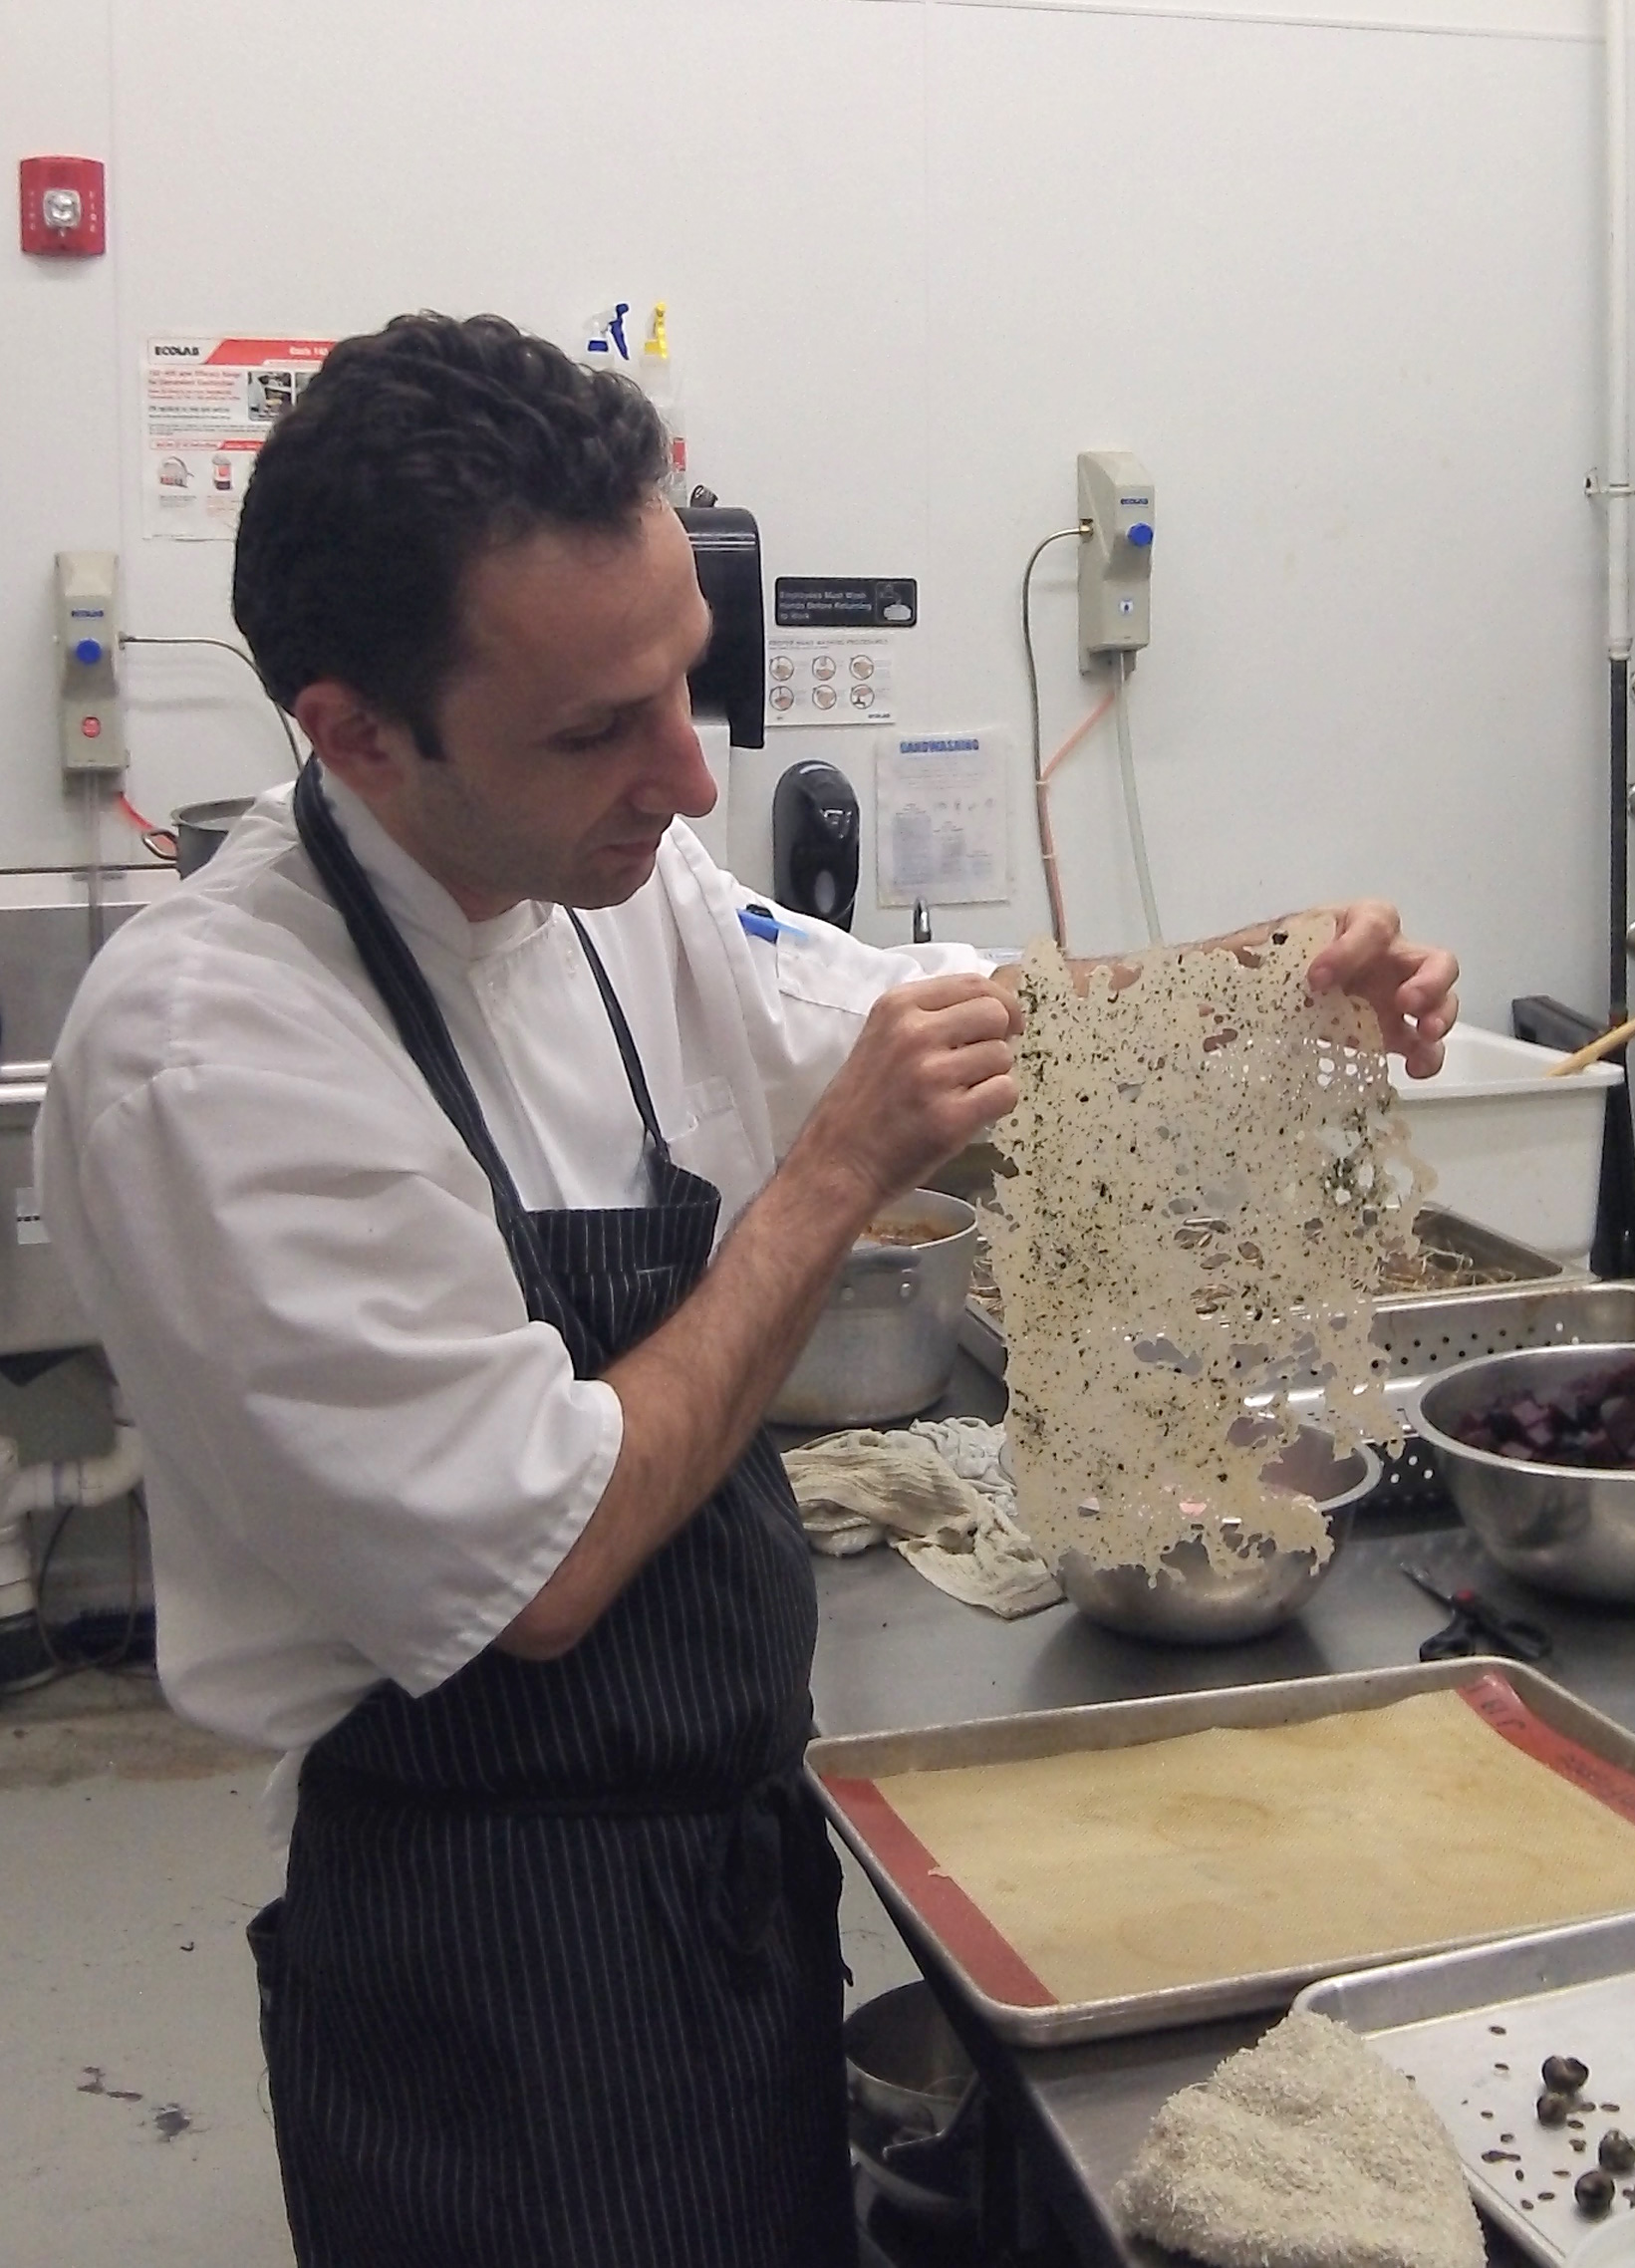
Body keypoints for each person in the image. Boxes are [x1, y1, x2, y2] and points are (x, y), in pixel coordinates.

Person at [37, 313, 1460, 2268]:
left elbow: (935, 1028)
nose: (686, 779)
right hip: (486, 1943)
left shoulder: (622, 884)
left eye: (682, 687)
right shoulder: (220, 1054)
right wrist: (821, 1189)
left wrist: (1255, 982)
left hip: (722, 1843)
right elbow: (532, 1573)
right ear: (355, 731)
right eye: (594, 728)